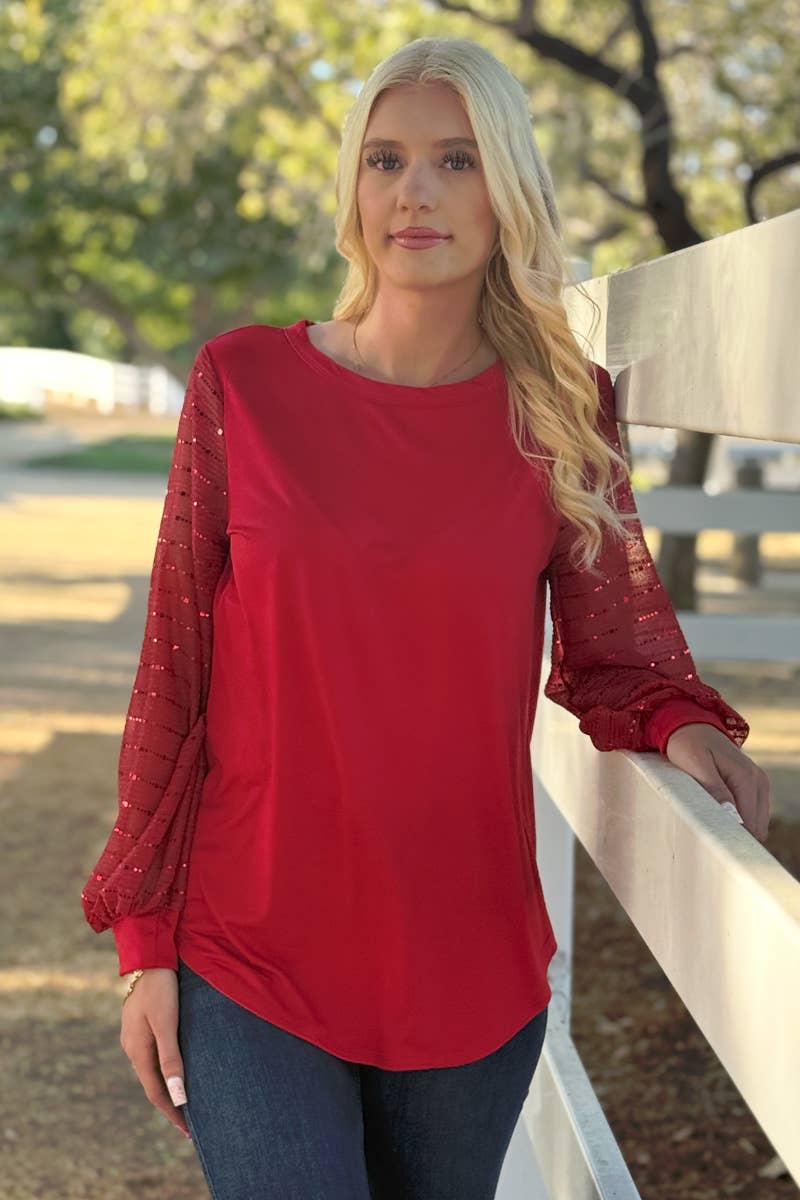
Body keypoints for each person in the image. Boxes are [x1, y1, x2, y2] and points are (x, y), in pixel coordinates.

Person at [80, 35, 770, 1200]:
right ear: (353, 189)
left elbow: (614, 653)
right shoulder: (241, 386)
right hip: (251, 950)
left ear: (506, 191)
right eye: (386, 160)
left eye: (455, 161)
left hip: (468, 961)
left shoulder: (561, 413)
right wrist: (144, 950)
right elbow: (174, 679)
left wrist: (678, 727)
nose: (415, 192)